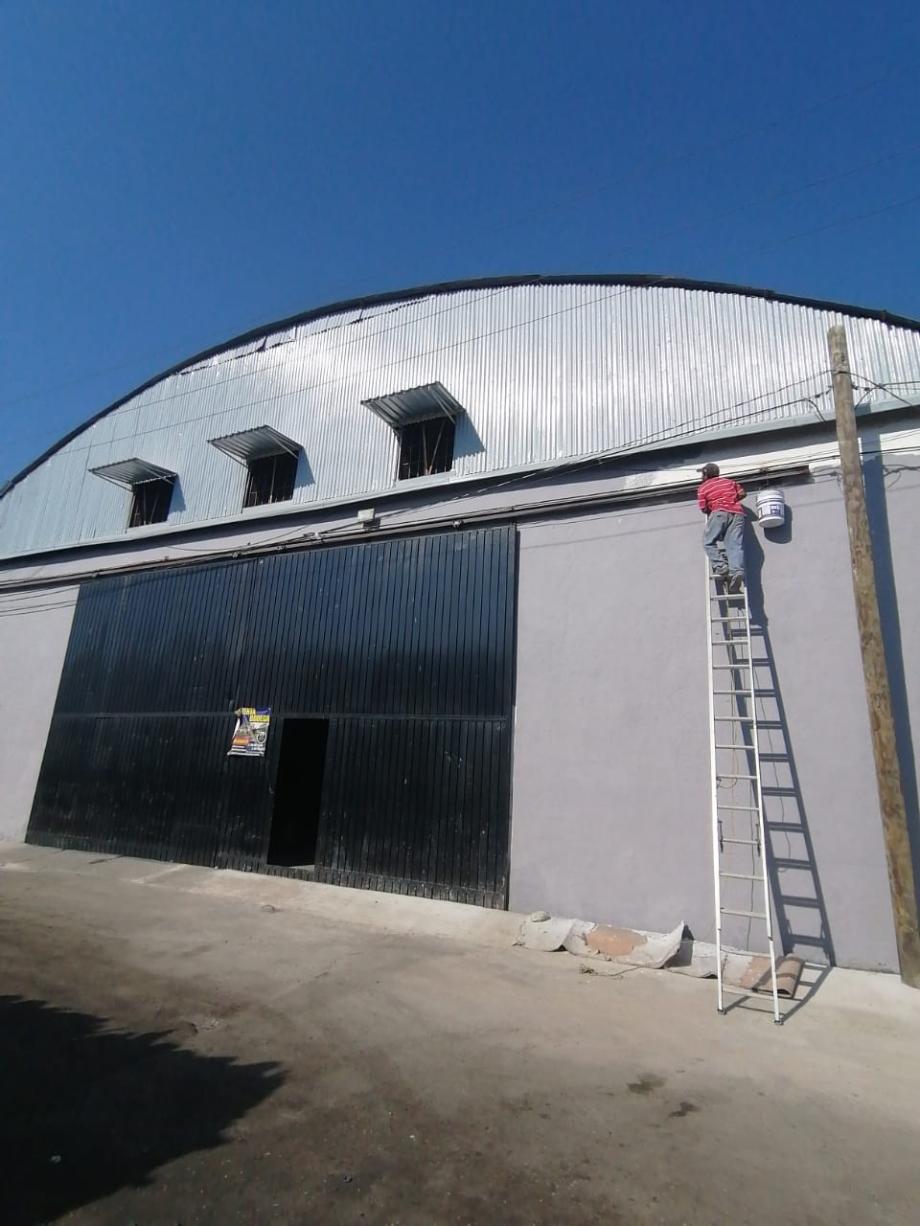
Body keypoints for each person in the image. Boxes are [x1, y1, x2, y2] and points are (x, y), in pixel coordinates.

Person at [697, 462, 746, 592]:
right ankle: (736, 572)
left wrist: (713, 507)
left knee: (708, 542)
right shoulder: (730, 482)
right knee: (734, 545)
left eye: (702, 474)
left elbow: (703, 508)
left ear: (706, 475)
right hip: (737, 513)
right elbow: (742, 493)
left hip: (719, 512)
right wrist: (731, 500)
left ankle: (722, 567)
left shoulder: (703, 487)